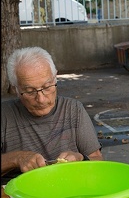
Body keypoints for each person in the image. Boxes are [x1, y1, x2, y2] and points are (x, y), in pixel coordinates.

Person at [1, 47, 103, 183]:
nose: (41, 99)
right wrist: (17, 158)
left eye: (47, 87)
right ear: (16, 89)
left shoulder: (73, 109)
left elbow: (98, 160)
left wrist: (81, 158)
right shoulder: (4, 115)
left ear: (55, 79)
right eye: (30, 91)